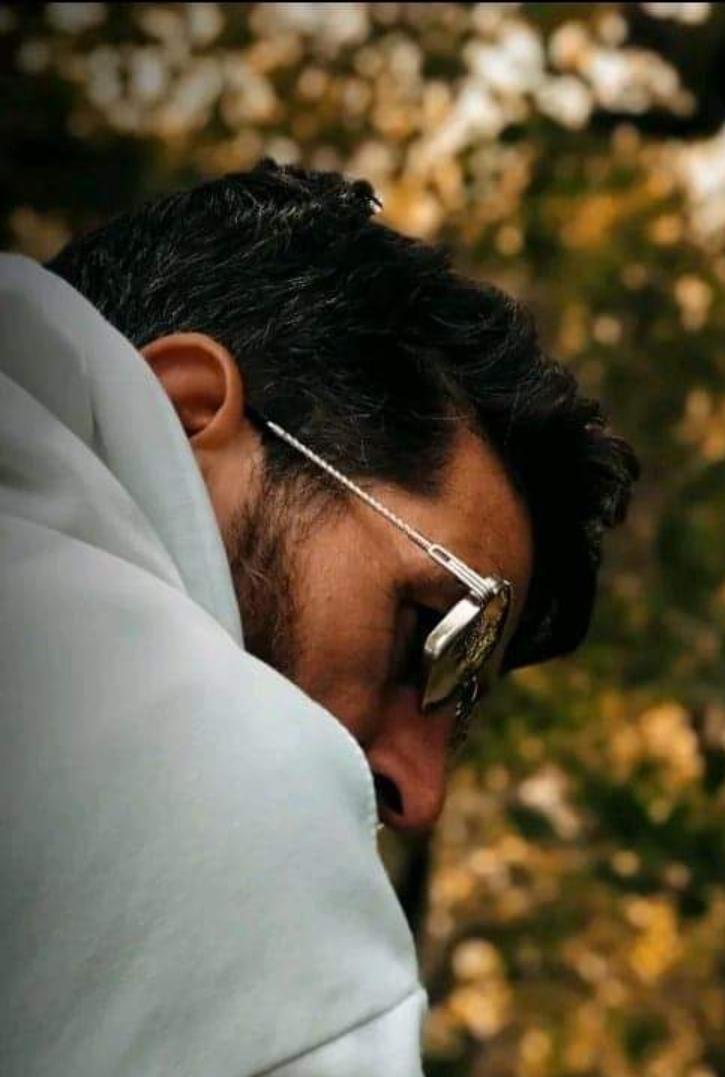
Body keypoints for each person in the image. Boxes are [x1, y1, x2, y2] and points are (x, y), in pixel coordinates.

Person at [0, 160, 638, 1076]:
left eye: (460, 703)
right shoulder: (235, 796)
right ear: (182, 412)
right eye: (437, 635)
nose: (420, 794)